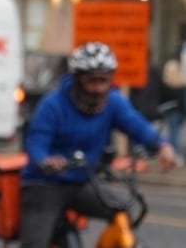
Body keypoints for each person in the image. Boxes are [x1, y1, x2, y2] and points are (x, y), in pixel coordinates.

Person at [19, 42, 177, 248]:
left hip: (83, 182)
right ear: (77, 79)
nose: (98, 88)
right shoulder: (53, 104)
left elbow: (136, 125)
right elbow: (37, 141)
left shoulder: (113, 102)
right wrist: (45, 160)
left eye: (104, 80)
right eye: (92, 81)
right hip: (45, 183)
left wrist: (162, 145)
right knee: (35, 243)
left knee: (123, 208)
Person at [161, 57, 185, 164]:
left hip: (173, 113)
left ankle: (178, 154)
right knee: (175, 134)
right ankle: (176, 154)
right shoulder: (181, 85)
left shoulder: (167, 85)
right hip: (179, 113)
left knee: (174, 134)